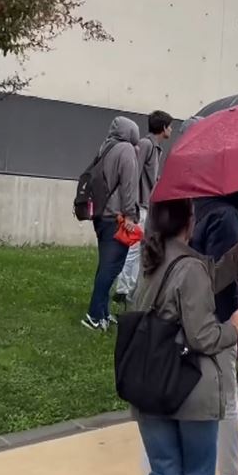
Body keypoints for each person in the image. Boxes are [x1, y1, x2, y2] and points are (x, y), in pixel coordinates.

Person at [109, 199, 238, 475]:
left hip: (150, 386)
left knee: (164, 473)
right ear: (189, 221)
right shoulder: (188, 266)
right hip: (190, 390)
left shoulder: (151, 260)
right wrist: (233, 328)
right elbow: (203, 335)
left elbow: (207, 281)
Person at [190, 189, 238, 475]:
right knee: (228, 399)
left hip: (192, 320)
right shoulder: (226, 215)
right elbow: (215, 277)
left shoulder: (198, 207)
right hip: (219, 321)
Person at [83, 116, 141, 331]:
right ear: (130, 132)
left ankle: (103, 311)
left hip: (101, 216)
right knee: (111, 268)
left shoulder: (106, 146)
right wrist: (129, 215)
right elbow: (128, 187)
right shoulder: (126, 150)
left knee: (105, 267)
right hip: (116, 217)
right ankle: (94, 316)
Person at [115, 110, 174, 305]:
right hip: (139, 206)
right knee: (133, 249)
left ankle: (130, 290)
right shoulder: (146, 145)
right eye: (170, 126)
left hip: (147, 205)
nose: (172, 129)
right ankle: (122, 290)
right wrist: (131, 208)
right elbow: (133, 174)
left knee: (141, 250)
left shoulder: (156, 148)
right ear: (163, 127)